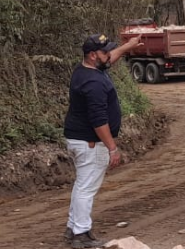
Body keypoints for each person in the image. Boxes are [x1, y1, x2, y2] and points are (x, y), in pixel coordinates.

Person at [63, 33, 142, 248]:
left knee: (82, 185)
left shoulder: (86, 71)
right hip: (90, 143)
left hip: (78, 139)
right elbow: (99, 121)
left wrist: (128, 46)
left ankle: (73, 227)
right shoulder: (94, 83)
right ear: (92, 55)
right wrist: (112, 148)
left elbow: (111, 58)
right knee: (86, 188)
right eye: (104, 52)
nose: (108, 55)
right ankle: (81, 233)